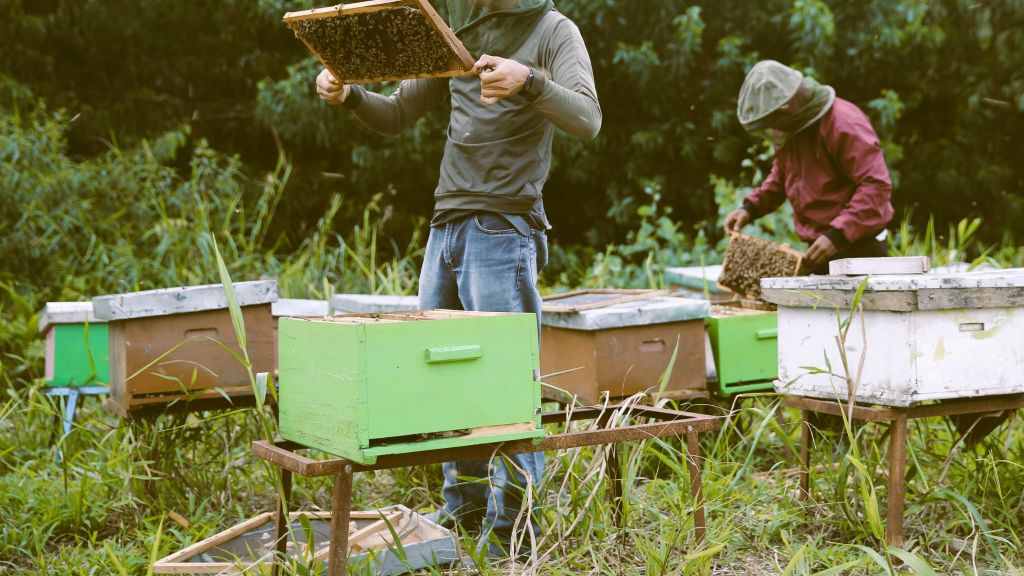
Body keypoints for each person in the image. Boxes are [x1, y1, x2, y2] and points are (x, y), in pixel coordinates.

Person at [315, 0, 601, 558]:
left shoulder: (553, 31)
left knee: (503, 385)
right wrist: (349, 95)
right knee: (446, 379)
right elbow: (396, 113)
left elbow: (588, 119)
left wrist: (529, 81)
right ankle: (465, 508)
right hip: (445, 223)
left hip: (504, 225)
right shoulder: (456, 29)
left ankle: (516, 530)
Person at [724, 60, 894, 272]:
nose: (772, 131)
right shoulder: (791, 130)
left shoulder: (844, 123)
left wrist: (837, 235)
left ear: (786, 108)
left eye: (772, 123)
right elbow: (781, 175)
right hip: (820, 249)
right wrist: (750, 208)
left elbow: (876, 186)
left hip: (861, 248)